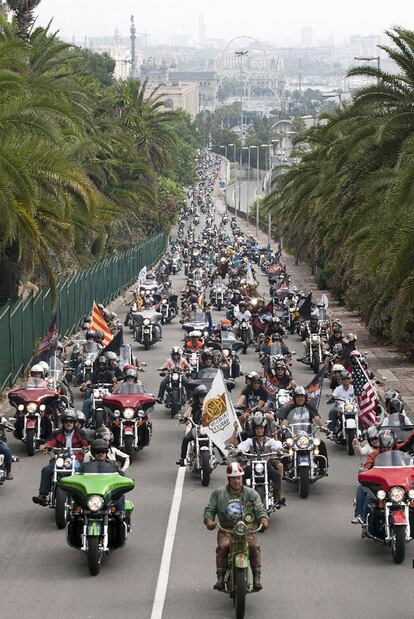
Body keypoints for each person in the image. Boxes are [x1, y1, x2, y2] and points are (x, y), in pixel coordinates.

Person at [203, 462, 269, 592]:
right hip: (226, 530)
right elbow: (209, 510)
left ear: (242, 478)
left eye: (238, 477)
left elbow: (260, 510)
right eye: (233, 478)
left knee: (254, 547)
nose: (236, 481)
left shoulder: (252, 494)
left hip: (247, 530)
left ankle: (257, 578)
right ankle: (220, 578)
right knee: (223, 546)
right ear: (228, 479)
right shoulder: (218, 493)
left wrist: (263, 520)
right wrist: (209, 521)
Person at [352, 429, 414, 523]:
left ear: (393, 444)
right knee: (364, 491)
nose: (386, 449)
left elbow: (409, 441)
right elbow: (368, 465)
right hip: (382, 485)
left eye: (388, 447)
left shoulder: (400, 449)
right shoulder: (373, 455)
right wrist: (365, 471)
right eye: (384, 447)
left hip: (400, 483)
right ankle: (360, 515)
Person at [32, 411, 89, 506]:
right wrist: (45, 445)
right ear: (63, 423)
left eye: (71, 421)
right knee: (46, 470)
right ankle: (42, 495)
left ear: (75, 423)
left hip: (76, 460)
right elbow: (52, 441)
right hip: (60, 459)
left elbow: (86, 443)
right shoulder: (57, 433)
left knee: (82, 471)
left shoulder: (81, 433)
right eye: (66, 421)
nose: (68, 423)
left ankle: (84, 496)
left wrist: (87, 447)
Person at [233, 415, 285, 505]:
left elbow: (277, 446)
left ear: (264, 429)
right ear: (254, 429)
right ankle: (242, 497)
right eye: (257, 428)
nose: (259, 430)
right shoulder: (250, 441)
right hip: (253, 466)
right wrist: (238, 451)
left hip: (266, 466)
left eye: (261, 428)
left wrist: (280, 450)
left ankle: (277, 498)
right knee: (242, 475)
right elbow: (241, 447)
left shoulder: (269, 441)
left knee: (276, 475)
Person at [279, 386, 329, 471]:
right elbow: (285, 420)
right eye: (298, 397)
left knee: (321, 444)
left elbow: (316, 418)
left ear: (305, 398)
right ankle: (284, 468)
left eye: (302, 397)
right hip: (293, 435)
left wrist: (324, 427)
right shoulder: (290, 408)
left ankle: (322, 467)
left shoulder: (309, 407)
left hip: (308, 435)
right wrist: (283, 427)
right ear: (294, 398)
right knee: (283, 445)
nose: (300, 399)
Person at [176, 385, 207, 466]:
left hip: (208, 429)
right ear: (197, 398)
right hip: (196, 429)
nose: (203, 399)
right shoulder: (193, 406)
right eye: (201, 397)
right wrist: (185, 418)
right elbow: (187, 413)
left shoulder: (210, 405)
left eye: (204, 397)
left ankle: (223, 456)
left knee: (216, 439)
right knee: (185, 439)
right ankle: (182, 459)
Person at [81, 356, 116, 420]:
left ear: (106, 364)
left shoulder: (109, 373)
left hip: (107, 392)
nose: (101, 366)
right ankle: (84, 419)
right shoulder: (95, 373)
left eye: (103, 364)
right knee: (86, 402)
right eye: (100, 364)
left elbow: (114, 379)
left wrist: (115, 383)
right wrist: (85, 384)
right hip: (96, 392)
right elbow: (89, 381)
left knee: (114, 403)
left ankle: (115, 418)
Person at [327, 370, 356, 434]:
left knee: (360, 413)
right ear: (341, 380)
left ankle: (362, 430)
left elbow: (358, 396)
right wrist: (331, 397)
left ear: (350, 380)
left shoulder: (354, 388)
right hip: (340, 407)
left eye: (347, 379)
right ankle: (331, 431)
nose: (346, 380)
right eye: (344, 379)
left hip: (351, 406)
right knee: (333, 411)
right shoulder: (338, 389)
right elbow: (334, 395)